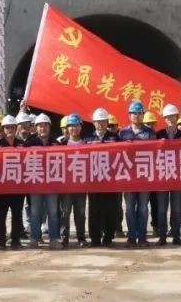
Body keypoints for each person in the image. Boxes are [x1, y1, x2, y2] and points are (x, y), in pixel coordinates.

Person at [118, 100, 156, 247]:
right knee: (128, 207)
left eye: (139, 113)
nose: (136, 116)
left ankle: (142, 236)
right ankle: (131, 236)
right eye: (134, 113)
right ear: (129, 115)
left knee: (143, 207)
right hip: (127, 176)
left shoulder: (150, 132)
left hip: (144, 175)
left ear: (143, 115)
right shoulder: (123, 133)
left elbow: (155, 152)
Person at [25, 113, 61, 249]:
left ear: (49, 128)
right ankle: (34, 238)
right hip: (35, 183)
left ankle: (53, 239)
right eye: (40, 126)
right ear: (36, 128)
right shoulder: (29, 143)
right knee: (35, 213)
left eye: (45, 126)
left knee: (53, 213)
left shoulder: (55, 143)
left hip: (52, 184)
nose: (43, 128)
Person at [58, 113, 94, 247]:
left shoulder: (87, 142)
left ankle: (81, 237)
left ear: (81, 127)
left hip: (81, 184)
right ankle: (64, 237)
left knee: (80, 212)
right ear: (67, 128)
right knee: (65, 212)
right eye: (71, 126)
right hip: (66, 185)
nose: (74, 129)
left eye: (77, 125)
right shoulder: (60, 143)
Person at [154, 103, 181, 246]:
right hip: (162, 176)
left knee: (176, 208)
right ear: (164, 118)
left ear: (177, 117)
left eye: (173, 116)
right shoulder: (158, 135)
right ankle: (162, 236)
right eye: (167, 117)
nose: (170, 119)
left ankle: (176, 235)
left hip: (178, 176)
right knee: (162, 208)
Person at [88, 108, 121, 247]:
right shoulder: (88, 138)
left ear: (107, 122)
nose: (100, 124)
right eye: (98, 122)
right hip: (93, 181)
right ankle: (95, 238)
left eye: (103, 122)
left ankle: (108, 236)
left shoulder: (114, 138)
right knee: (94, 210)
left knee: (110, 209)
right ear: (94, 123)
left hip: (110, 180)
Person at [0, 115, 26, 249]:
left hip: (18, 186)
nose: (10, 130)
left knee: (17, 215)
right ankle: (1, 239)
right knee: (0, 215)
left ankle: (15, 240)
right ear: (3, 129)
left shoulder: (23, 145)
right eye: (7, 127)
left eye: (12, 127)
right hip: (1, 187)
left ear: (16, 128)